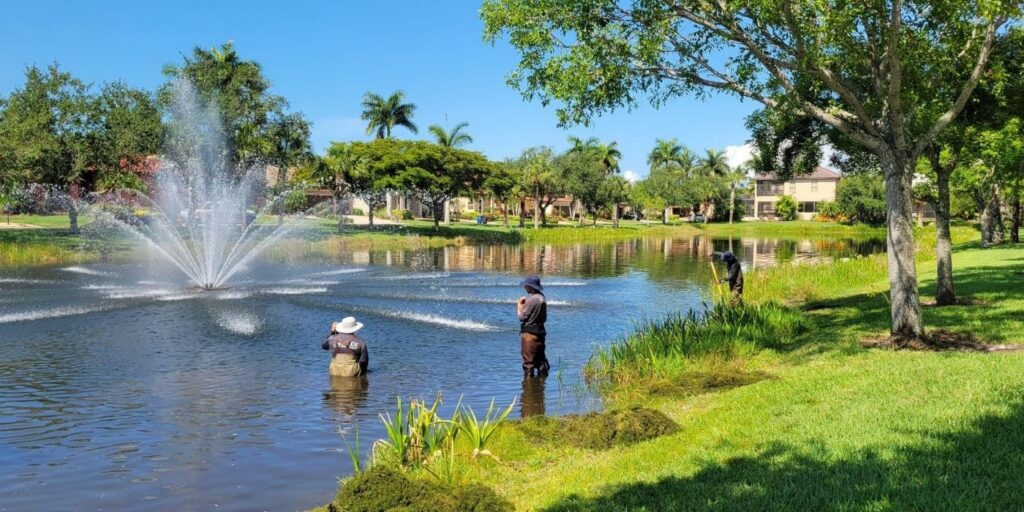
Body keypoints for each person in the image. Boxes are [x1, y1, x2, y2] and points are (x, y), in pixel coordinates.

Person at [517, 274, 550, 377]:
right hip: (540, 333)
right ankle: (541, 387)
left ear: (531, 286)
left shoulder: (532, 299)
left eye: (526, 285)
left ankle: (529, 389)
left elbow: (521, 318)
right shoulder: (542, 297)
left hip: (530, 335)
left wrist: (519, 305)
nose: (524, 287)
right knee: (541, 361)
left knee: (528, 364)